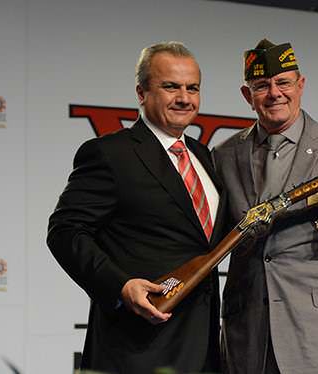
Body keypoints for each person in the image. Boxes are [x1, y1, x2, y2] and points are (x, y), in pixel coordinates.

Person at [47, 41, 226, 373]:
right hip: (136, 348)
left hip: (204, 350)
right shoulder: (110, 154)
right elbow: (65, 232)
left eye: (192, 88)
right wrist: (120, 285)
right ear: (142, 93)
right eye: (170, 86)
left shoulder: (205, 158)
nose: (184, 98)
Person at [213, 39, 318, 373]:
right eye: (262, 85)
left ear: (301, 85)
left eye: (283, 82)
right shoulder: (224, 155)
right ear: (247, 96)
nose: (274, 93)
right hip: (249, 339)